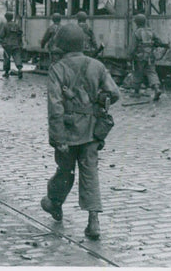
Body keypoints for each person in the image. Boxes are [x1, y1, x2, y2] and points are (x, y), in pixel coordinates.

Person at [40, 23, 121, 240]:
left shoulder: (57, 69)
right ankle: (93, 221)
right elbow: (114, 93)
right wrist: (99, 103)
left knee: (65, 171)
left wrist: (58, 138)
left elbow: (55, 107)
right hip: (92, 132)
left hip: (67, 132)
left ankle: (54, 203)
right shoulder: (97, 65)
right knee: (90, 172)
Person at [128, 14, 168, 101]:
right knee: (151, 72)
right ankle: (157, 88)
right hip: (150, 56)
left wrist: (130, 56)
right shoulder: (151, 31)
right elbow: (158, 41)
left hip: (139, 56)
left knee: (137, 72)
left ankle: (136, 92)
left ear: (137, 23)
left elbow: (133, 47)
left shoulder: (136, 33)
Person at [0, 11, 24, 79]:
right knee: (17, 57)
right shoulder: (17, 25)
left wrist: (2, 42)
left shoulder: (5, 25)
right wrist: (20, 43)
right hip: (16, 44)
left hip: (7, 45)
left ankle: (6, 72)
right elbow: (20, 33)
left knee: (7, 58)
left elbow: (1, 35)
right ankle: (20, 69)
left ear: (6, 18)